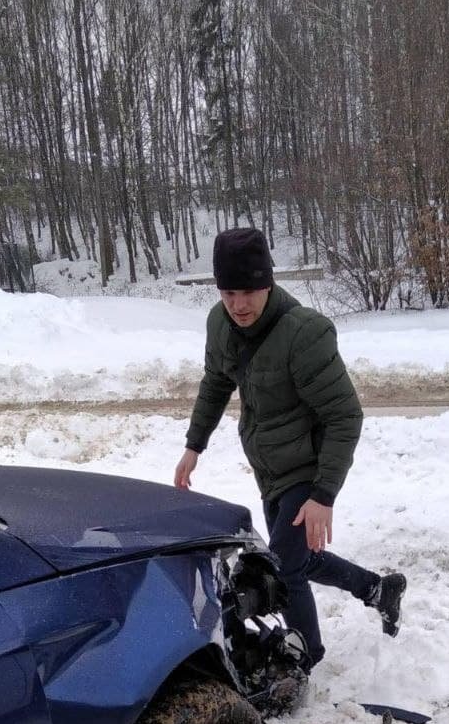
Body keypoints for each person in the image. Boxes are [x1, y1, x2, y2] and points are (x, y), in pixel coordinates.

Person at [174, 227, 407, 670]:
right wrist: (194, 446)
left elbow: (345, 416)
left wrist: (323, 496)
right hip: (269, 468)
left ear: (268, 284)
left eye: (249, 292)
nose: (239, 305)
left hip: (309, 467)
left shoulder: (305, 333)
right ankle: (378, 589)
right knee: (299, 558)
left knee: (282, 566)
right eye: (228, 293)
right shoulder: (219, 324)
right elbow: (216, 383)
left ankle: (305, 655)